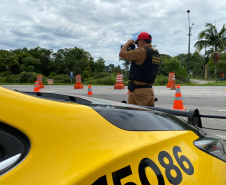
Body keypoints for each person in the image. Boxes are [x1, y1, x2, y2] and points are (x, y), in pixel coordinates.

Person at [119, 32, 160, 106]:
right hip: (149, 92)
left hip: (139, 93)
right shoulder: (155, 53)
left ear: (142, 41)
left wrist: (128, 42)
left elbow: (121, 54)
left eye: (137, 42)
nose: (137, 45)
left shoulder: (142, 51)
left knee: (136, 116)